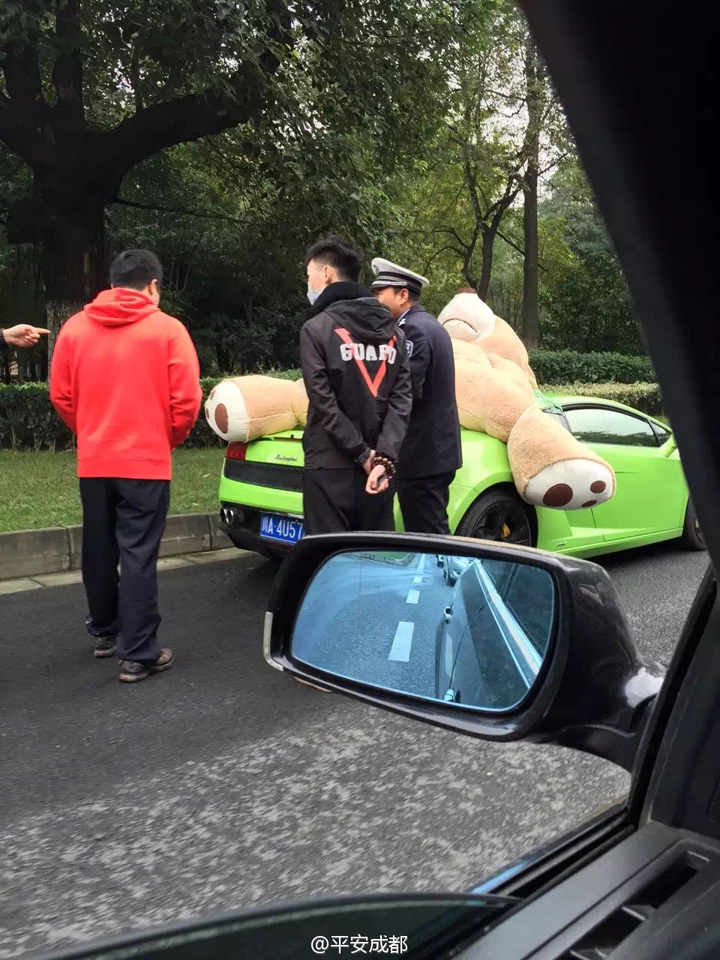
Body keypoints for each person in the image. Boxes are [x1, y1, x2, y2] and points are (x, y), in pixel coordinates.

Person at [50, 250, 202, 683]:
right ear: (153, 285)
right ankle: (138, 653)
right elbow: (187, 401)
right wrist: (164, 438)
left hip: (95, 460)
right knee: (138, 553)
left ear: (112, 283)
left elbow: (61, 394)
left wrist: (92, 431)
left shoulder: (75, 328)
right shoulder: (168, 330)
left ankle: (104, 632)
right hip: (146, 462)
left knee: (98, 548)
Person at [301, 236, 413, 534]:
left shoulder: (316, 329)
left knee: (328, 563)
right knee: (373, 559)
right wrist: (382, 458)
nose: (307, 282)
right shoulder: (395, 333)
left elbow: (324, 404)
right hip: (378, 472)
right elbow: (401, 403)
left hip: (329, 468)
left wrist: (362, 454)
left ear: (327, 273)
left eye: (309, 273)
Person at [371, 259, 462, 535]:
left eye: (380, 292)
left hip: (422, 456)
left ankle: (439, 579)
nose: (375, 299)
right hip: (433, 453)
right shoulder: (428, 324)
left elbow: (407, 392)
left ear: (402, 294)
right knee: (429, 531)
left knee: (428, 536)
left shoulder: (412, 330)